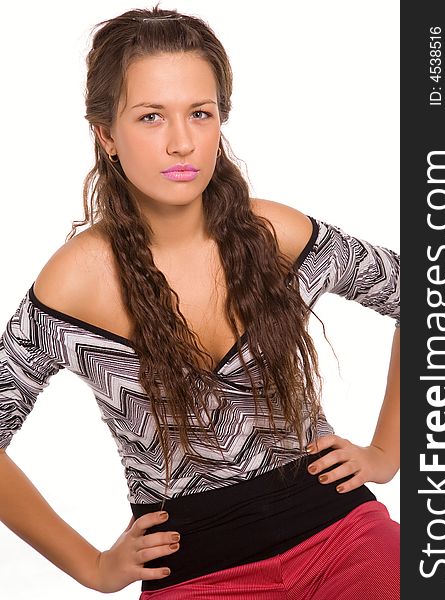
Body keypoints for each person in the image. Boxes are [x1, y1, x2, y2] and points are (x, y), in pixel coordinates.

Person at [0, 3, 400, 599]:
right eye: (151, 117)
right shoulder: (76, 282)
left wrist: (386, 452)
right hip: (198, 573)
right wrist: (92, 567)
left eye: (200, 113)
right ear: (106, 133)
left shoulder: (277, 236)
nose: (181, 142)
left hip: (342, 535)